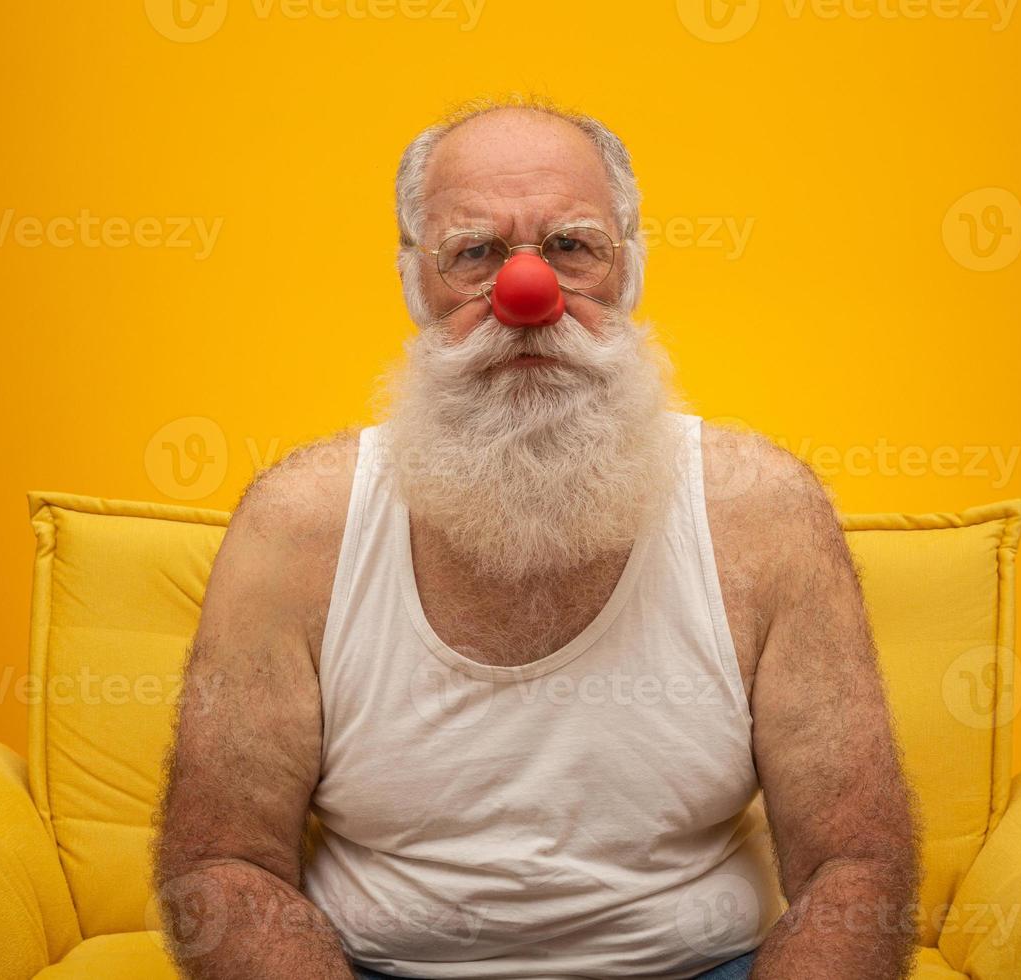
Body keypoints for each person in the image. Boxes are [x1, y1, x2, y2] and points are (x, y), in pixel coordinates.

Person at [154, 95, 922, 980]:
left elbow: (855, 867)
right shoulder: (295, 526)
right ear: (414, 283)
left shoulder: (764, 512)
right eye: (474, 253)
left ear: (627, 270)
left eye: (571, 247)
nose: (529, 296)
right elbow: (223, 865)